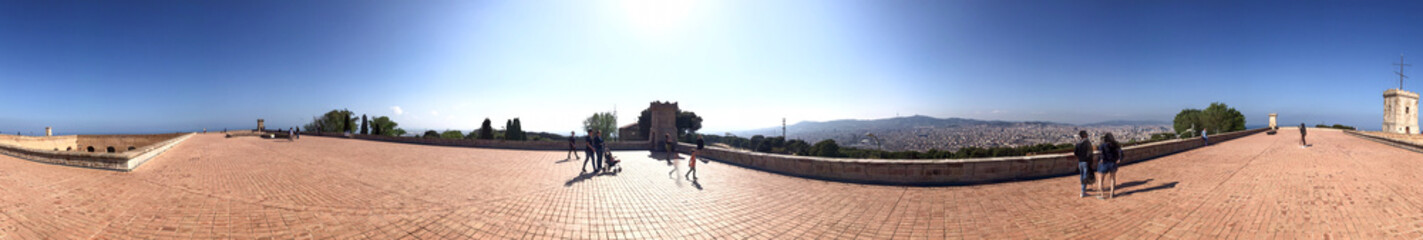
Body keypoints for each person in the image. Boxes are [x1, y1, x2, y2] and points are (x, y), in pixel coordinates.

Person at [1096, 133, 1123, 199]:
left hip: (1104, 163)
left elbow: (1101, 153)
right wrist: (1119, 159)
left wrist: (1102, 159)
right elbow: (1121, 152)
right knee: (1112, 179)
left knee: (1100, 179)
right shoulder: (1115, 145)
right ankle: (1112, 194)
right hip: (1113, 163)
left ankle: (1102, 195)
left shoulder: (1103, 145)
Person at [1073, 130, 1094, 198]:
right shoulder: (1087, 143)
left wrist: (1080, 156)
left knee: (1082, 175)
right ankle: (1083, 191)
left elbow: (1075, 153)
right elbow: (1090, 154)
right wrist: (1090, 162)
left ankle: (1083, 188)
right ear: (1084, 135)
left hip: (1080, 161)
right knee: (1085, 175)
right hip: (1086, 161)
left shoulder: (1078, 143)